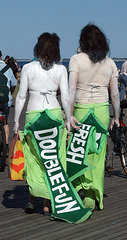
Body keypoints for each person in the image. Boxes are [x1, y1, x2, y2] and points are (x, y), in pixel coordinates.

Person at [13, 33, 70, 215]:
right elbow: (66, 98)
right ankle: (47, 203)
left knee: (34, 157)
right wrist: (68, 119)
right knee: (53, 158)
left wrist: (16, 121)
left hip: (34, 114)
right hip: (53, 115)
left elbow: (21, 96)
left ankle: (31, 198)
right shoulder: (61, 69)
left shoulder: (28, 68)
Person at [68, 24, 120, 211]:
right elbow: (114, 95)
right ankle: (92, 195)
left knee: (78, 150)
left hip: (81, 109)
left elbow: (71, 89)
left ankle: (78, 188)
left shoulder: (76, 59)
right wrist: (115, 116)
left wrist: (69, 114)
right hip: (101, 111)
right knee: (97, 153)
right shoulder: (110, 63)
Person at [0, 51, 17, 154]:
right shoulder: (8, 68)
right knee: (5, 122)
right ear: (1, 57)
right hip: (5, 100)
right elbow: (13, 84)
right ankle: (5, 145)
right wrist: (9, 95)